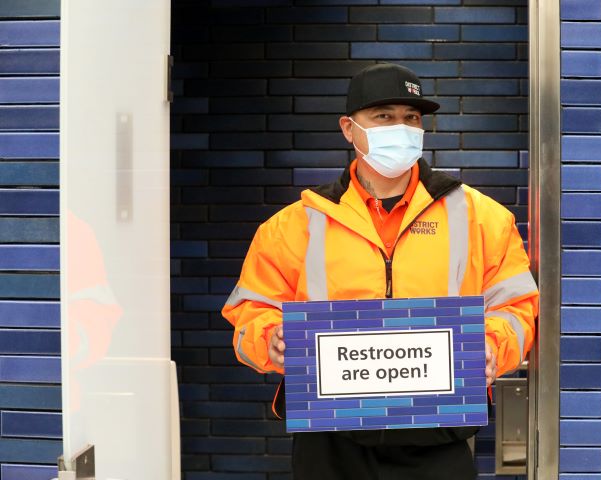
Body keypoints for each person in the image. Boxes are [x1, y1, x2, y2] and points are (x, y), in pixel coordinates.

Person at [222, 63, 539, 480]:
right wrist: (271, 339)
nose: (401, 127)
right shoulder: (293, 225)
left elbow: (517, 308)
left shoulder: (482, 218)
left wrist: (492, 347)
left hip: (439, 437)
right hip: (330, 441)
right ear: (349, 129)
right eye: (384, 116)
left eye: (411, 118)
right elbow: (249, 313)